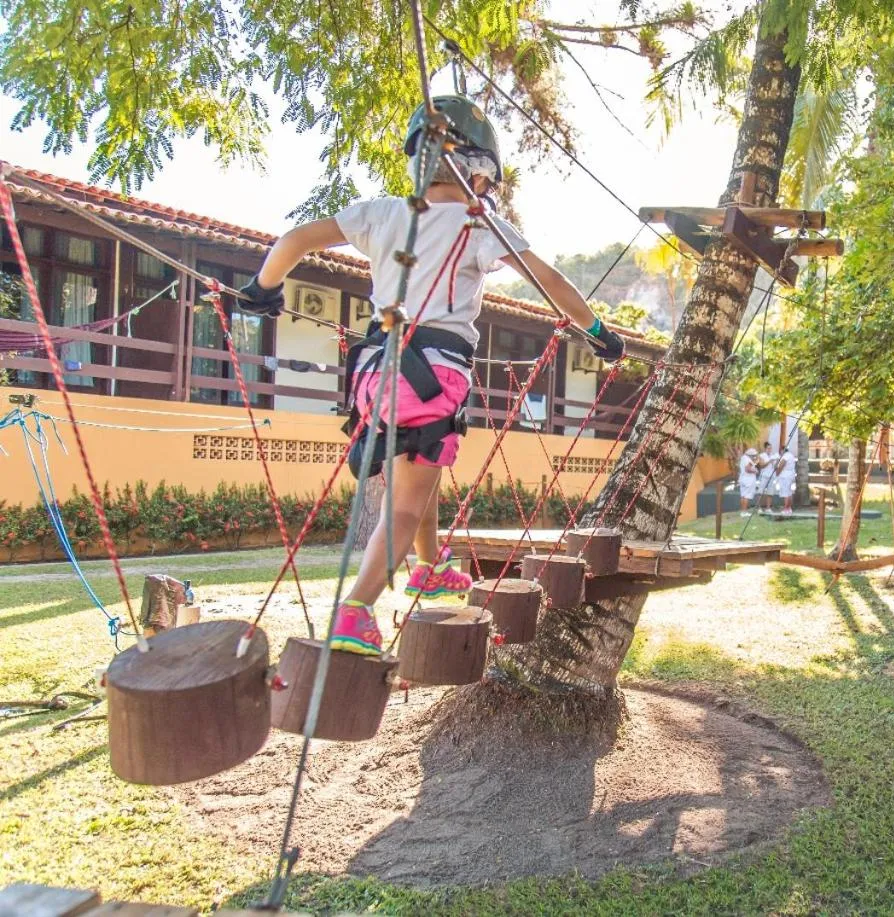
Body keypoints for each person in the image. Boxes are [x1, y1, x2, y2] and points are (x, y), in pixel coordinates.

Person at [238, 96, 625, 655]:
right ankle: (356, 610)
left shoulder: (381, 213)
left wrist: (263, 290)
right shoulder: (480, 224)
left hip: (375, 374)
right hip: (433, 377)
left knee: (423, 468)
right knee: (403, 503)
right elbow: (552, 282)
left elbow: (294, 240)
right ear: (481, 171)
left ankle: (428, 564)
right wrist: (598, 333)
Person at [773, 445, 797, 514]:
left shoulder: (785, 456)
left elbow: (780, 466)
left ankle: (786, 509)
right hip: (790, 475)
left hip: (785, 476)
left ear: (782, 450)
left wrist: (777, 473)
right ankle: (789, 508)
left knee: (785, 493)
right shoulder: (791, 455)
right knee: (789, 492)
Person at [737, 447, 759, 516]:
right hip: (748, 480)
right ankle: (744, 511)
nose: (755, 456)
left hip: (743, 478)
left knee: (743, 495)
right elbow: (747, 469)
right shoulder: (749, 460)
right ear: (751, 455)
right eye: (754, 455)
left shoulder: (743, 458)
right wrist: (755, 471)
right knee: (746, 496)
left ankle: (742, 511)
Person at [757, 442, 778, 512]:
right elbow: (761, 465)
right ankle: (759, 508)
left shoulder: (773, 455)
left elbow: (775, 467)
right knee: (761, 491)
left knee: (770, 492)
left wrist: (776, 462)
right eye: (768, 448)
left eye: (771, 448)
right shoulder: (761, 455)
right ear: (765, 448)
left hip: (772, 475)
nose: (770, 449)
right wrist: (769, 461)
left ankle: (768, 508)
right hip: (764, 475)